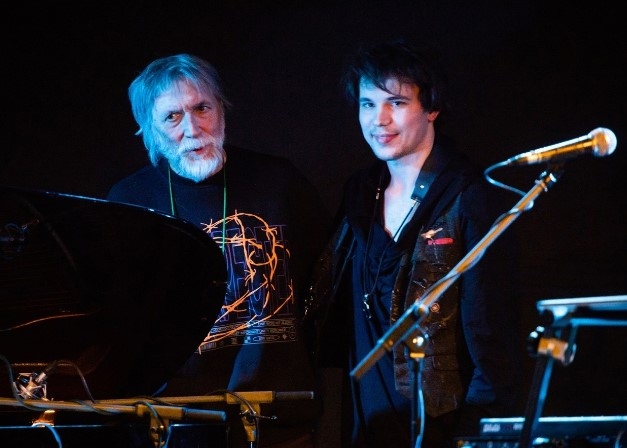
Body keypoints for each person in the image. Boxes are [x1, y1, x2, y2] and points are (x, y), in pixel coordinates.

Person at [106, 53, 331, 448]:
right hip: (175, 422)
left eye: (202, 108)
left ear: (221, 109)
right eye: (172, 117)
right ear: (149, 129)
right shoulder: (128, 202)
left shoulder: (280, 182)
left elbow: (330, 281)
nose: (192, 128)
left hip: (280, 417)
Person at [307, 40, 524, 447]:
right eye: (368, 104)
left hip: (436, 424)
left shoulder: (469, 198)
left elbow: (492, 334)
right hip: (364, 422)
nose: (379, 119)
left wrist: (477, 432)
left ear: (432, 108)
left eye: (396, 102)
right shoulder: (360, 192)